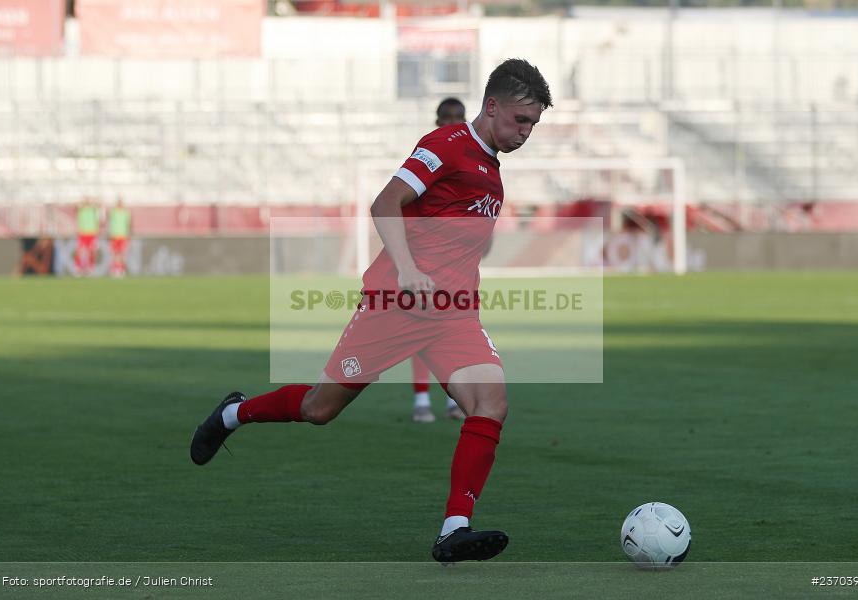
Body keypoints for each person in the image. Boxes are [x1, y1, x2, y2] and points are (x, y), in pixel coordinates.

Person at [190, 59, 552, 564]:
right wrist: (406, 268)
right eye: (520, 120)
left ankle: (454, 529)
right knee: (320, 409)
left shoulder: (491, 170)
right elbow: (386, 203)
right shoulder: (444, 145)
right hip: (395, 306)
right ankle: (234, 413)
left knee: (491, 404)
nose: (526, 132)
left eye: (533, 124)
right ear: (491, 106)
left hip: (452, 316)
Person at [412, 97, 468, 424]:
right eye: (445, 117)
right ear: (436, 121)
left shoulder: (474, 156)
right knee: (424, 329)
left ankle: (451, 400)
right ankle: (422, 400)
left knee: (453, 329)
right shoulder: (429, 155)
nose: (451, 122)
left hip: (458, 262)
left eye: (457, 117)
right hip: (425, 257)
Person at [75, 198, 99, 276]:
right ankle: (79, 268)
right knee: (81, 251)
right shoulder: (81, 210)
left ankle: (90, 268)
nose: (87, 202)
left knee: (92, 251)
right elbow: (76, 207)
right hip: (83, 233)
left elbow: (98, 205)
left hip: (92, 233)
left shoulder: (93, 210)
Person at [108, 197, 131, 278]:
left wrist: (128, 235)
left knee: (122, 254)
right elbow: (110, 223)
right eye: (118, 202)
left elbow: (128, 224)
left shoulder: (126, 212)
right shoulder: (113, 212)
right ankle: (115, 269)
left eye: (121, 202)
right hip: (115, 235)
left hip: (123, 235)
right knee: (115, 254)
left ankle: (121, 269)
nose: (120, 204)